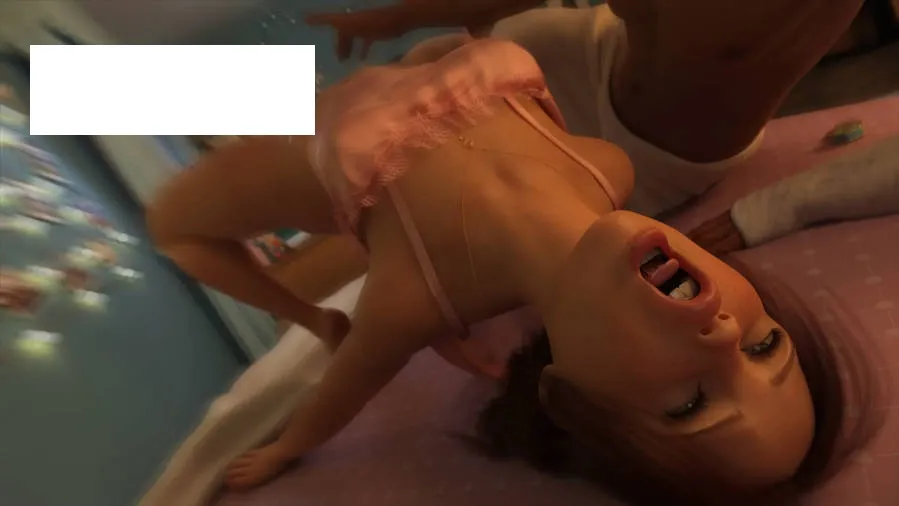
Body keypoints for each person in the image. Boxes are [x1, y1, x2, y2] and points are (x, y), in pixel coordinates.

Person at [145, 5, 886, 506]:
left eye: (691, 403)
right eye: (764, 345)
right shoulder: (608, 169)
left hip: (310, 134)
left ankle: (308, 316)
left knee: (171, 226)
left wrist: (286, 448)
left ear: (566, 394)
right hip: (398, 78)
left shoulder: (417, 294)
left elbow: (342, 391)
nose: (723, 336)